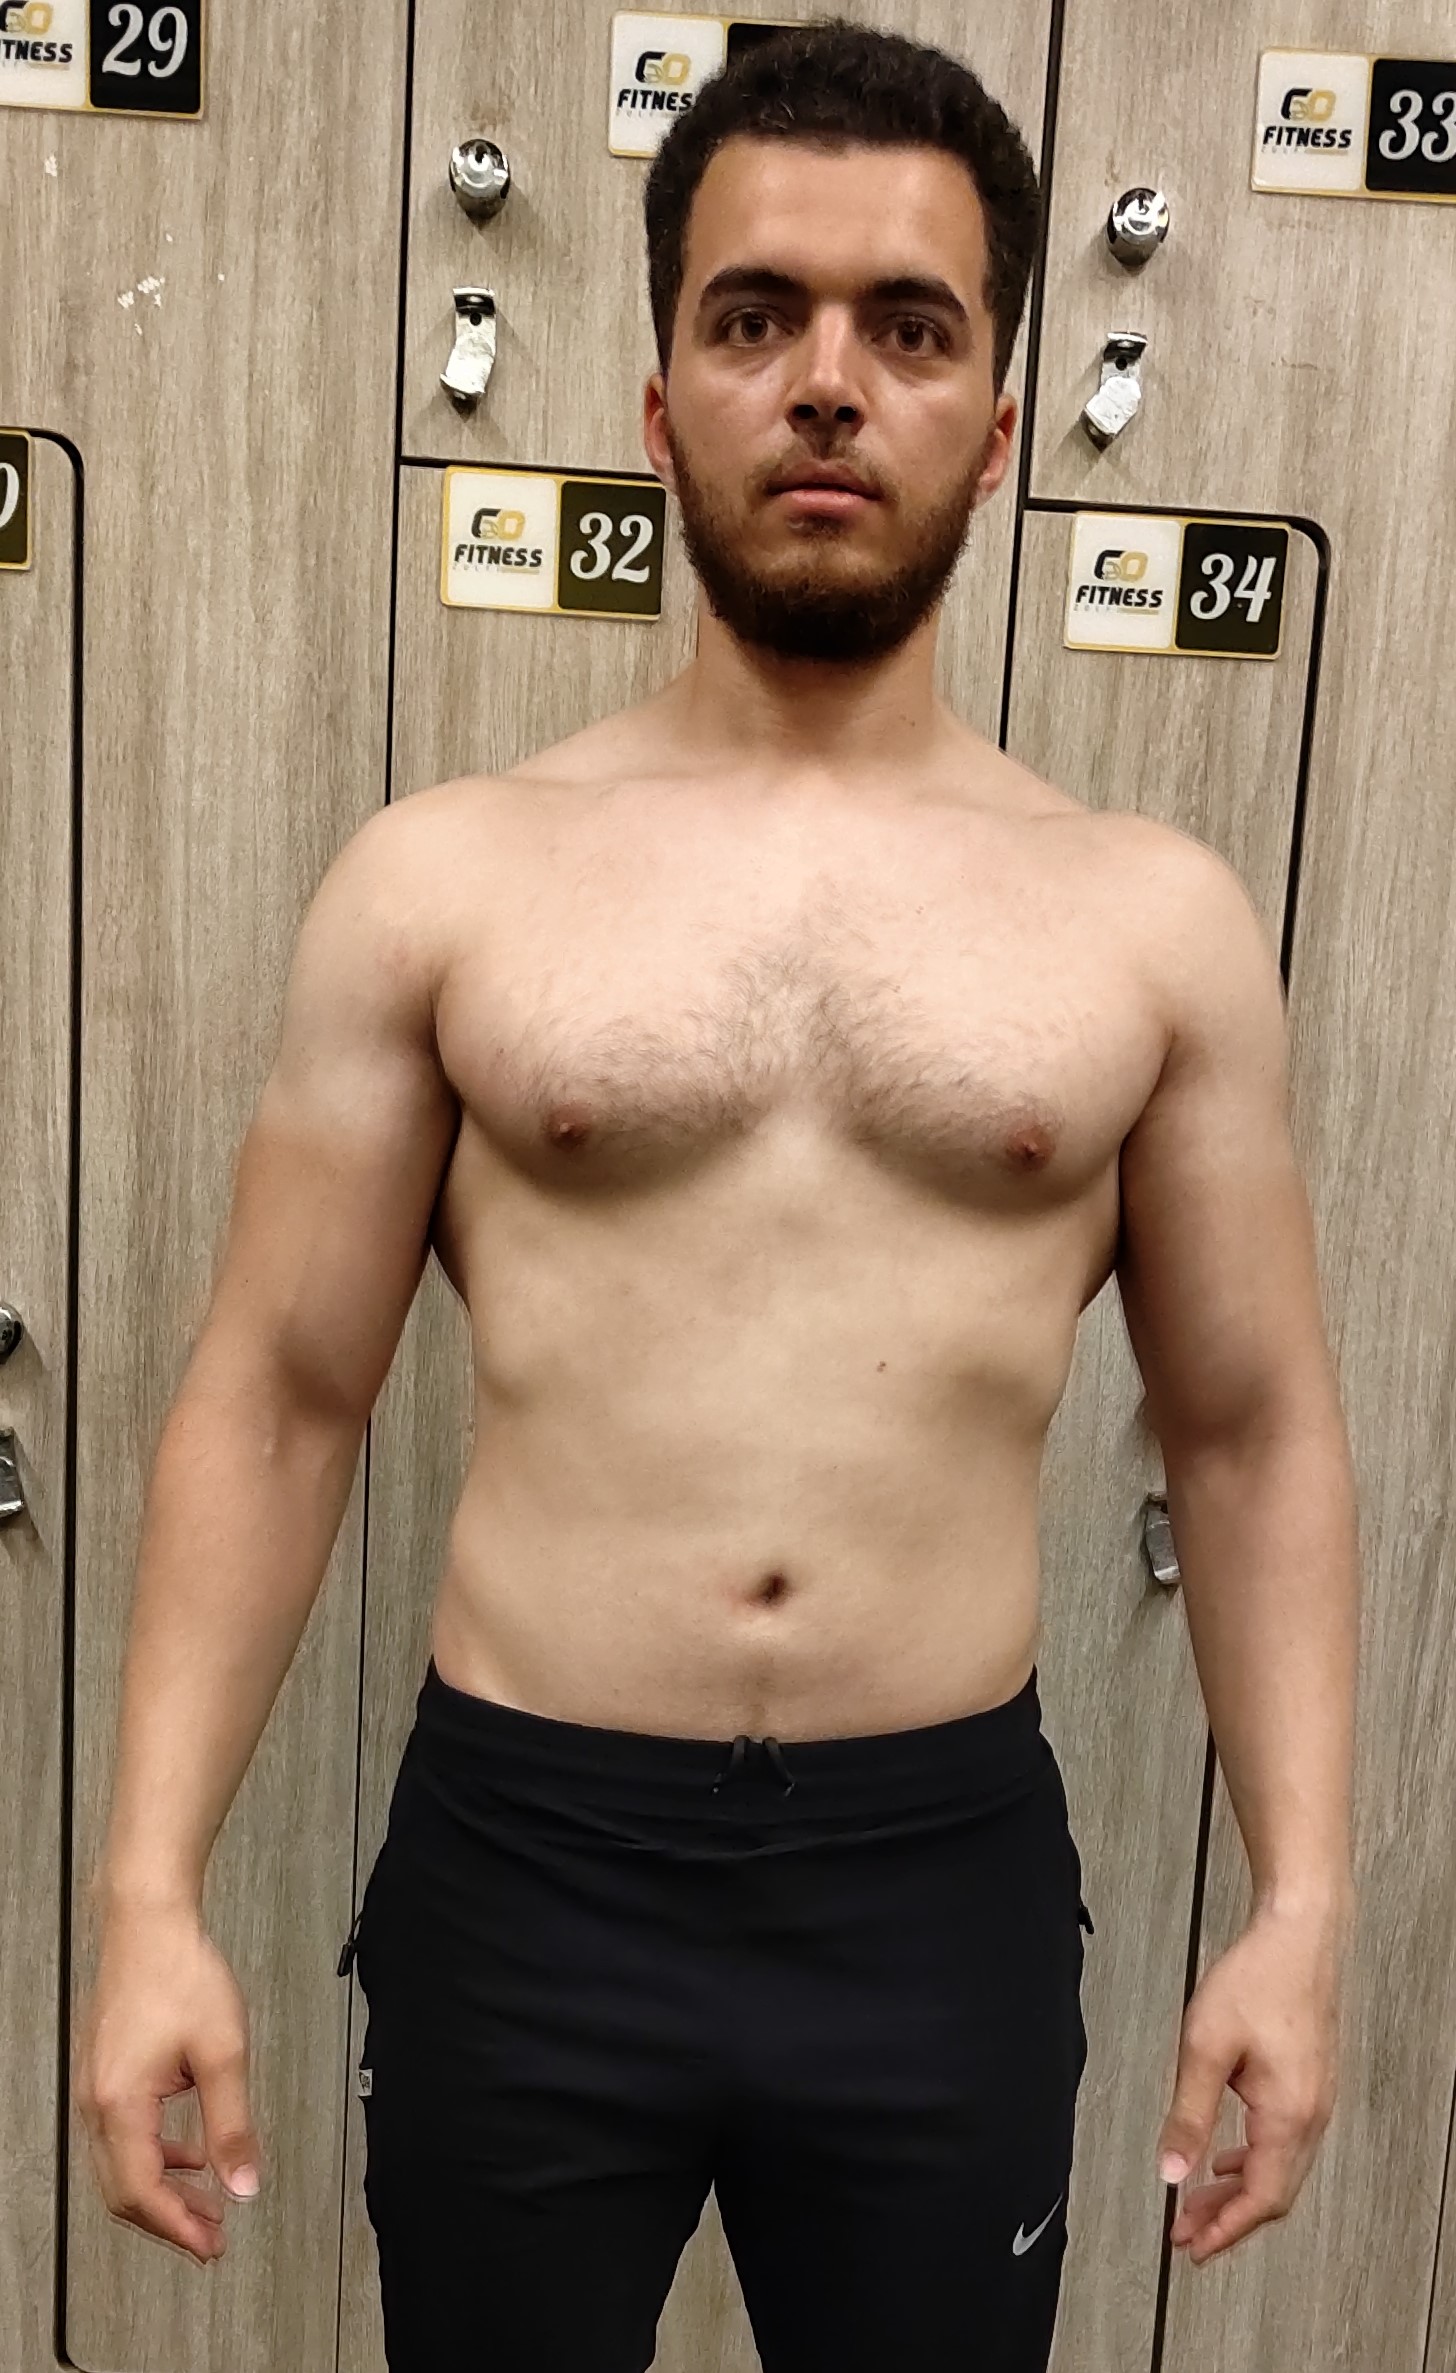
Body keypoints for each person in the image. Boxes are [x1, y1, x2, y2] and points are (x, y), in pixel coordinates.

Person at [75, 17, 1359, 2370]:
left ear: (997, 419)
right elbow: (274, 1394)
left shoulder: (1148, 923)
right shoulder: (445, 881)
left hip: (933, 1889)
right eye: (757, 316)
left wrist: (1298, 1901)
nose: (828, 383)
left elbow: (1251, 1427)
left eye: (909, 327)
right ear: (661, 406)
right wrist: (150, 1883)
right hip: (528, 1868)